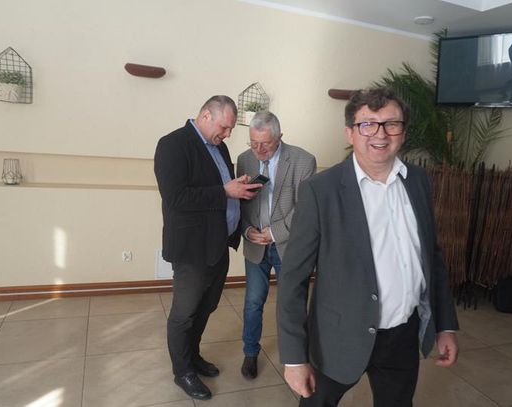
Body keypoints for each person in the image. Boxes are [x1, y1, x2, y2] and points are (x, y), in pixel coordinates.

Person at [277, 87, 459, 407]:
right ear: (350, 133)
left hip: (403, 335)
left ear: (403, 132)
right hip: (338, 339)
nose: (380, 134)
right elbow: (293, 278)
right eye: (368, 124)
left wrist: (444, 325)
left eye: (392, 124)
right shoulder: (320, 190)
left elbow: (432, 257)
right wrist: (294, 358)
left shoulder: (418, 181)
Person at [154, 95, 260, 400]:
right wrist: (224, 191)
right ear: (205, 116)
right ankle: (182, 372)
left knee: (207, 307)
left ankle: (193, 357)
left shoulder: (219, 147)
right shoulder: (173, 144)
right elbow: (176, 198)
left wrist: (237, 187)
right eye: (224, 127)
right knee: (184, 313)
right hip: (192, 249)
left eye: (230, 129)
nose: (228, 134)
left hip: (218, 243)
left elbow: (219, 189)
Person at [236, 111, 316, 379]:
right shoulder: (244, 160)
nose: (258, 150)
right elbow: (241, 203)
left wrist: (274, 232)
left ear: (279, 137)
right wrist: (247, 230)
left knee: (291, 303)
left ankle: (295, 358)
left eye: (265, 144)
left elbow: (305, 208)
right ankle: (250, 352)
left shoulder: (303, 161)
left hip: (288, 246)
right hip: (255, 245)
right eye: (253, 143)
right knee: (252, 303)